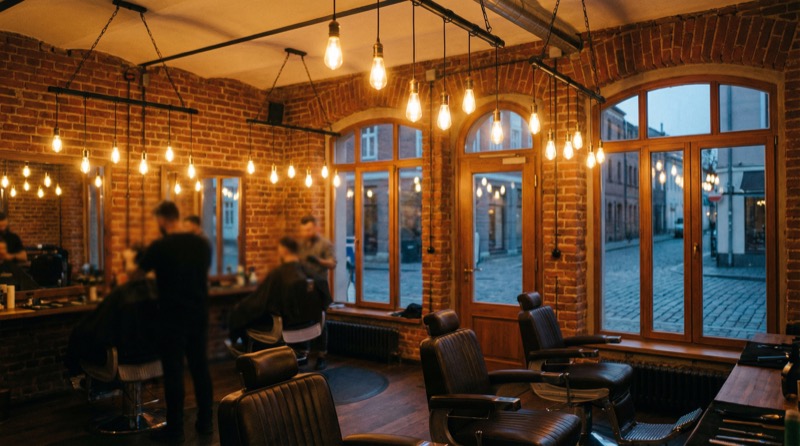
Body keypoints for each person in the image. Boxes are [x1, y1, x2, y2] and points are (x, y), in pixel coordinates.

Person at [135, 201, 213, 443]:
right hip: (199, 313)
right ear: (178, 217)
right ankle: (206, 422)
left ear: (161, 219)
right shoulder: (202, 245)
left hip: (172, 316)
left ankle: (176, 428)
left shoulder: (160, 246)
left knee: (174, 372)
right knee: (200, 369)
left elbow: (141, 270)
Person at [228, 237, 332, 368]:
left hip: (283, 326)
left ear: (283, 250)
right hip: (310, 326)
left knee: (241, 311)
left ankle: (243, 350)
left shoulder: (278, 274)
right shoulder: (310, 273)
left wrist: (240, 308)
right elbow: (324, 297)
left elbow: (260, 300)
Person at [297, 215, 336, 370]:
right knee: (304, 319)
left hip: (319, 288)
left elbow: (333, 264)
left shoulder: (325, 244)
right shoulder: (301, 245)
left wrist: (318, 261)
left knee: (320, 321)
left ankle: (321, 355)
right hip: (304, 288)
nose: (306, 233)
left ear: (315, 228)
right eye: (304, 230)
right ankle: (304, 352)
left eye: (309, 229)